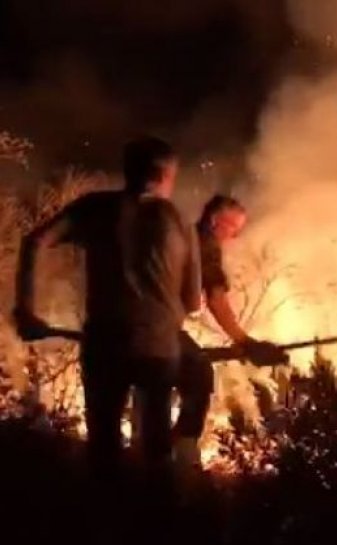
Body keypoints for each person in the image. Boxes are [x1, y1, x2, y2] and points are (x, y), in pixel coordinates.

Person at [14, 136, 201, 479]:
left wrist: (26, 309)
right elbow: (193, 302)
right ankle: (158, 518)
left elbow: (35, 241)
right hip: (159, 348)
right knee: (156, 446)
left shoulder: (95, 208)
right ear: (166, 176)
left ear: (127, 171)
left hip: (105, 341)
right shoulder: (179, 221)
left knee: (103, 445)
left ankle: (103, 516)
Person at [171, 194, 280, 468]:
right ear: (214, 220)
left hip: (132, 320)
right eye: (232, 228)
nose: (233, 237)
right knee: (198, 374)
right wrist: (245, 342)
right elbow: (216, 300)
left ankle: (154, 452)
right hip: (159, 325)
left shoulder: (179, 236)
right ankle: (181, 459)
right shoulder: (204, 245)